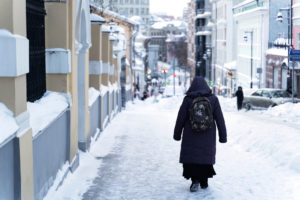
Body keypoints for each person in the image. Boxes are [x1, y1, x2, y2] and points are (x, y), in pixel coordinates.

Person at [174, 76, 227, 192]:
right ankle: (204, 181)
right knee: (204, 158)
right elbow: (220, 119)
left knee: (192, 158)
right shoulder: (213, 99)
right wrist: (223, 136)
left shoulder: (188, 99)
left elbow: (180, 118)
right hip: (208, 137)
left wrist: (177, 134)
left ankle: (195, 180)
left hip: (190, 136)